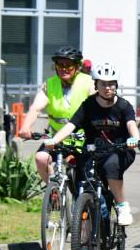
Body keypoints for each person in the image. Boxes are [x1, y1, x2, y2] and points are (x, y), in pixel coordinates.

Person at [45, 62, 140, 250]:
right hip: (92, 151)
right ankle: (85, 248)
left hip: (120, 150)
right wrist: (55, 141)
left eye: (112, 84)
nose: (108, 88)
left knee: (110, 167)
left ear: (116, 85)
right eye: (103, 84)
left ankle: (122, 206)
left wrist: (135, 138)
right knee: (84, 196)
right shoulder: (88, 105)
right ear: (96, 85)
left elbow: (132, 123)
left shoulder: (123, 105)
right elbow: (71, 125)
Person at [16, 45, 95, 185]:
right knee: (41, 158)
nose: (64, 68)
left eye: (69, 66)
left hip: (84, 140)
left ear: (78, 67)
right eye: (60, 64)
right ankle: (54, 191)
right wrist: (25, 127)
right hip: (57, 140)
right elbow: (35, 108)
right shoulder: (50, 84)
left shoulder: (88, 82)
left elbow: (98, 108)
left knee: (84, 183)